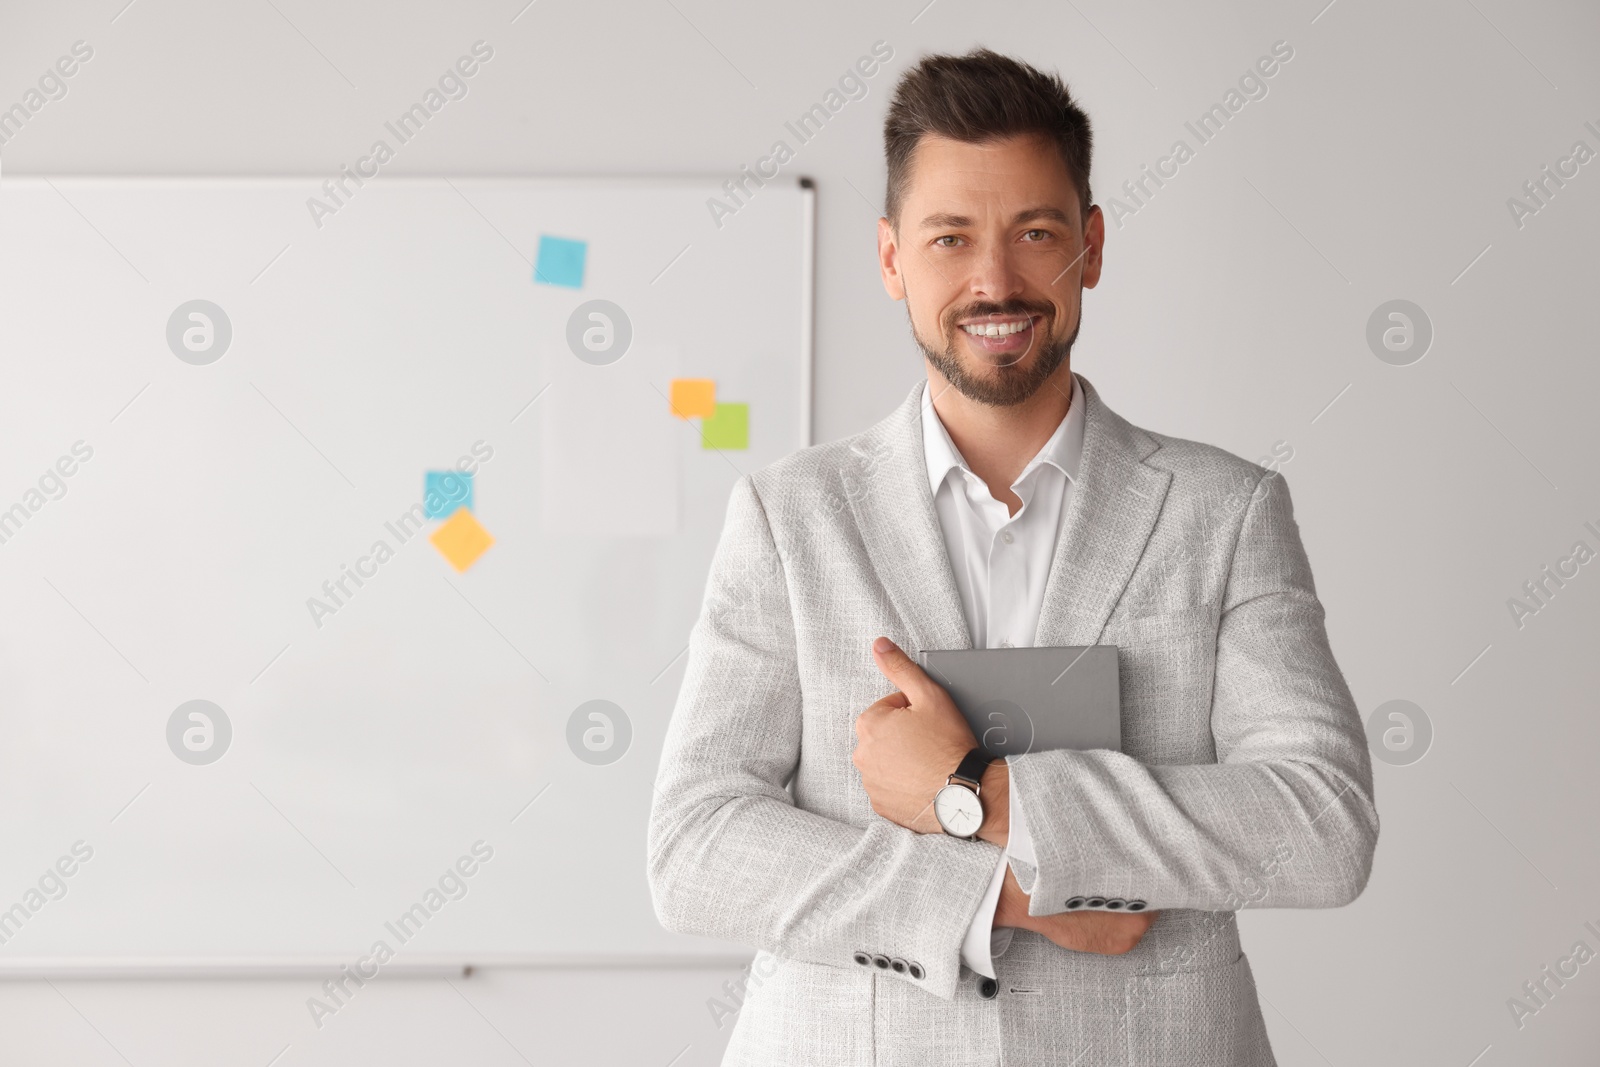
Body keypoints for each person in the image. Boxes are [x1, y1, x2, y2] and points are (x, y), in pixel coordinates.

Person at [648, 46, 1377, 1066]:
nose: (993, 280)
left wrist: (977, 794)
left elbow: (1319, 820)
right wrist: (1014, 895)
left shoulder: (1226, 510)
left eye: (1034, 233)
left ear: (1090, 245)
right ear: (894, 257)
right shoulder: (789, 515)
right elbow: (696, 846)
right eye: (950, 238)